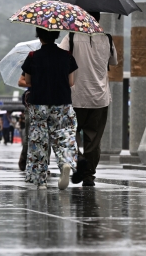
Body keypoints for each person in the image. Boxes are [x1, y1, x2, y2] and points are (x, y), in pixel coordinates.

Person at [58, 11, 118, 187]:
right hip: (99, 98)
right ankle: (89, 176)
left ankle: (79, 160)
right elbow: (113, 62)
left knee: (70, 135)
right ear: (98, 19)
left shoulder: (71, 37)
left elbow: (61, 60)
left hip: (75, 96)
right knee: (94, 139)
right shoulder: (107, 39)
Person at [21, 27, 79, 190]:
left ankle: (40, 180)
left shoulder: (33, 56)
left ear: (39, 36)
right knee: (63, 135)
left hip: (39, 102)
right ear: (56, 36)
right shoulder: (67, 56)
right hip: (62, 102)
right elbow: (71, 82)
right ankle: (66, 163)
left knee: (39, 139)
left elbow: (27, 80)